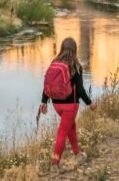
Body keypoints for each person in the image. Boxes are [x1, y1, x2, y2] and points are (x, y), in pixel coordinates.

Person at [40, 37, 95, 173]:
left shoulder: (54, 63)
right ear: (74, 49)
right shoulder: (76, 66)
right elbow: (80, 90)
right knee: (62, 133)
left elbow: (47, 84)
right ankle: (54, 164)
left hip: (56, 104)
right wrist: (90, 103)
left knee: (71, 126)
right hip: (70, 105)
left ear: (62, 48)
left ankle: (78, 155)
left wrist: (44, 101)